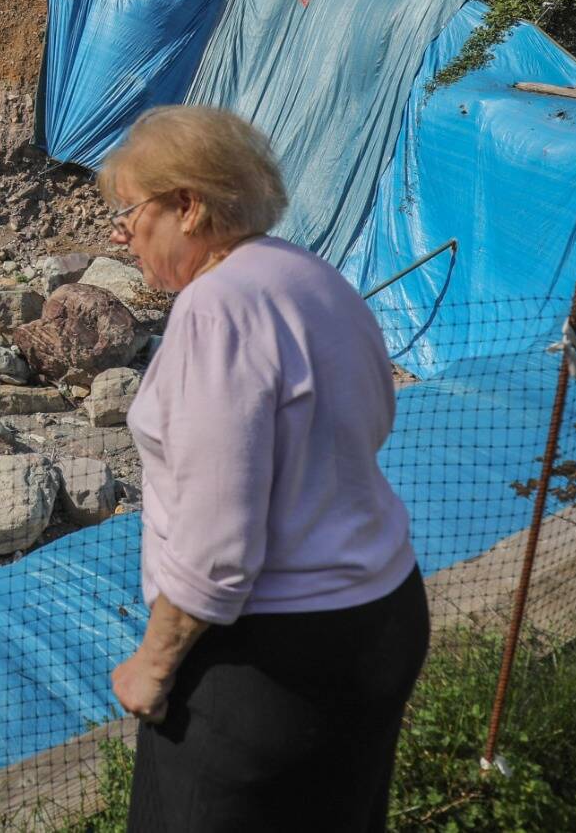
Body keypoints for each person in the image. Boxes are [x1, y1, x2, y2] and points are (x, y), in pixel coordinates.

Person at [100, 105, 428, 832]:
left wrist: (153, 664)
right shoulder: (308, 274)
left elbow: (219, 543)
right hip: (382, 613)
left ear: (187, 205)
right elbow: (374, 417)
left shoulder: (214, 311)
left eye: (128, 215)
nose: (122, 238)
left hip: (269, 662)